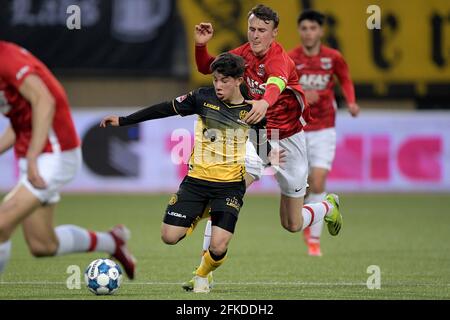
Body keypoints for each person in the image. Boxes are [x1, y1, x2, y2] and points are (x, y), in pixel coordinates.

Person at [183, 4, 343, 290]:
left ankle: (326, 206)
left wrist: (264, 102)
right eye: (252, 29)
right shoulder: (241, 55)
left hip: (289, 139)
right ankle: (203, 274)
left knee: (292, 224)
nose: (255, 36)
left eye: (262, 31)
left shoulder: (280, 59)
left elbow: (275, 83)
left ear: (274, 33)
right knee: (223, 192)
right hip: (255, 136)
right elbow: (207, 67)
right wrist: (200, 46)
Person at [101, 53, 285, 293]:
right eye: (216, 80)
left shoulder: (252, 110)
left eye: (225, 81)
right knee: (169, 237)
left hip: (230, 185)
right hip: (196, 182)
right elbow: (165, 109)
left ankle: (201, 274)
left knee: (218, 247)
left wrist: (270, 156)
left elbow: (260, 145)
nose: (218, 85)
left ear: (239, 80)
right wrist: (124, 120)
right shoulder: (202, 97)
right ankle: (199, 214)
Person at [0, 41, 136, 279]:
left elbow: (45, 100)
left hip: (54, 153)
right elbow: (20, 119)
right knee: (43, 245)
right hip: (35, 153)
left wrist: (32, 157)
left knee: (1, 224)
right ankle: (112, 242)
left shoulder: (6, 58)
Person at [288, 10, 360, 256]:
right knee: (301, 185)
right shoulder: (290, 59)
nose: (308, 33)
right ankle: (312, 213)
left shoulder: (333, 58)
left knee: (318, 181)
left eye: (312, 28)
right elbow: (282, 88)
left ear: (321, 31)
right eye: (304, 28)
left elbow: (346, 79)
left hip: (324, 129)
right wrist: (300, 94)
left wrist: (351, 101)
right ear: (299, 31)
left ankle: (314, 242)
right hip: (297, 128)